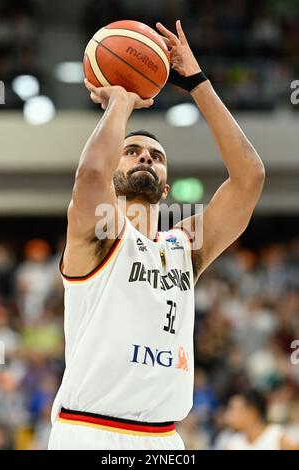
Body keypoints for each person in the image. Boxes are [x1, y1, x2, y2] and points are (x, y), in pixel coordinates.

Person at [48, 20, 265, 450]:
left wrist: (198, 84)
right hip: (89, 431)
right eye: (132, 152)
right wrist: (122, 100)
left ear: (165, 189)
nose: (146, 155)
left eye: (156, 156)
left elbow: (250, 177)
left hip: (164, 440)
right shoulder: (97, 234)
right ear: (116, 172)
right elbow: (92, 172)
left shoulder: (185, 246)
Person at [224, 389, 299, 450]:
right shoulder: (234, 443)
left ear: (252, 412)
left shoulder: (277, 436)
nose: (228, 416)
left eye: (233, 410)